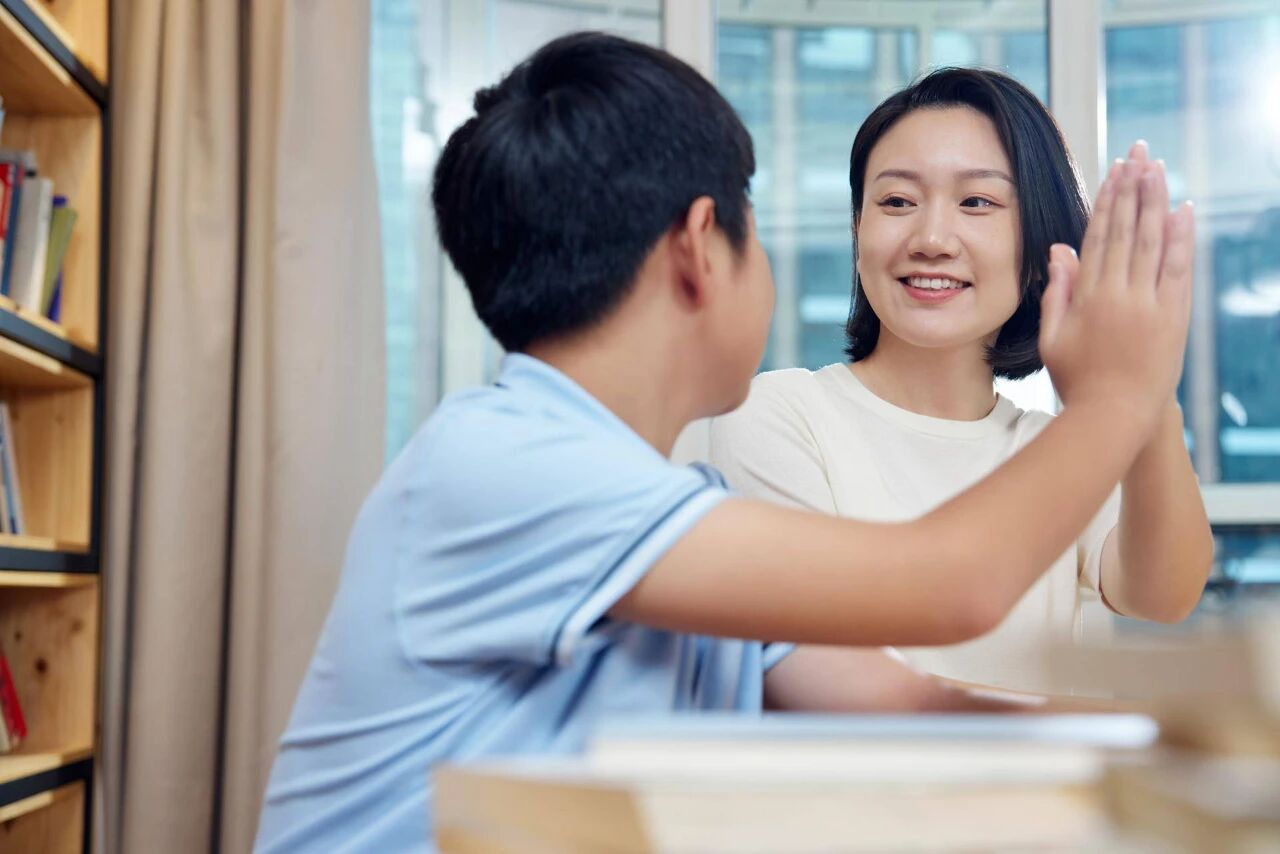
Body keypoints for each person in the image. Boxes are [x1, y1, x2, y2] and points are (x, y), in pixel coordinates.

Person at [254, 34, 1194, 852]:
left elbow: (913, 707)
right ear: (701, 247)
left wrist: (1203, 754)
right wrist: (1123, 388)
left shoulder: (680, 517)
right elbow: (957, 585)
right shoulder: (502, 462)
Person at [705, 68, 1212, 700]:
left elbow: (1162, 595)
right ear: (858, 228)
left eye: (977, 203)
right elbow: (832, 684)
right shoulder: (780, 414)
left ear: (1039, 241)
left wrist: (1147, 387)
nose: (931, 240)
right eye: (897, 202)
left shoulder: (1055, 446)